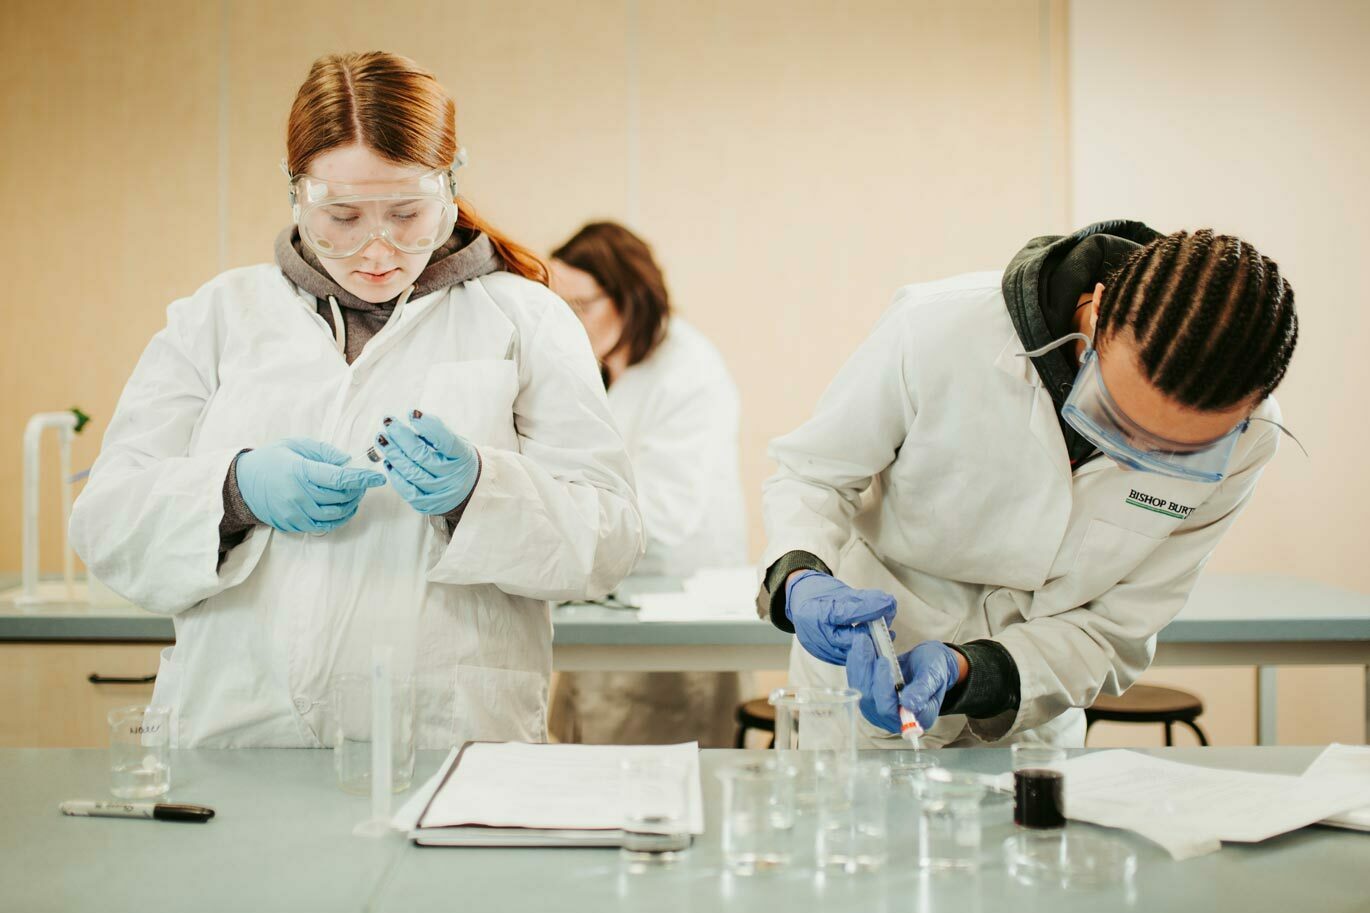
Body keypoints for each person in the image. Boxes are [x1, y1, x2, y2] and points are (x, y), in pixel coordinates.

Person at [70, 52, 643, 748]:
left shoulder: (525, 319)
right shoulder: (218, 317)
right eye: (341, 215)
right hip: (237, 739)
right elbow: (104, 523)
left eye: (406, 213)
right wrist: (233, 491)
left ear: (450, 187)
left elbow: (610, 537)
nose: (377, 248)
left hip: (448, 745)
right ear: (296, 195)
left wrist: (481, 493)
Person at [756, 222, 1298, 748]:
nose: (1130, 458)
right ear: (1096, 312)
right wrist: (802, 577)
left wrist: (976, 672)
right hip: (861, 682)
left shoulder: (1248, 442)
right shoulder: (938, 328)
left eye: (1176, 454)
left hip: (1028, 723)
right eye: (1115, 417)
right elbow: (813, 476)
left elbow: (1112, 630)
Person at [546, 222, 748, 746]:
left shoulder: (685, 371)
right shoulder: (613, 367)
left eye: (581, 305)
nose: (569, 321)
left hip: (668, 615)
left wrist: (557, 526)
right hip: (609, 608)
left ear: (630, 298)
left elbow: (663, 514)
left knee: (647, 784)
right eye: (559, 304)